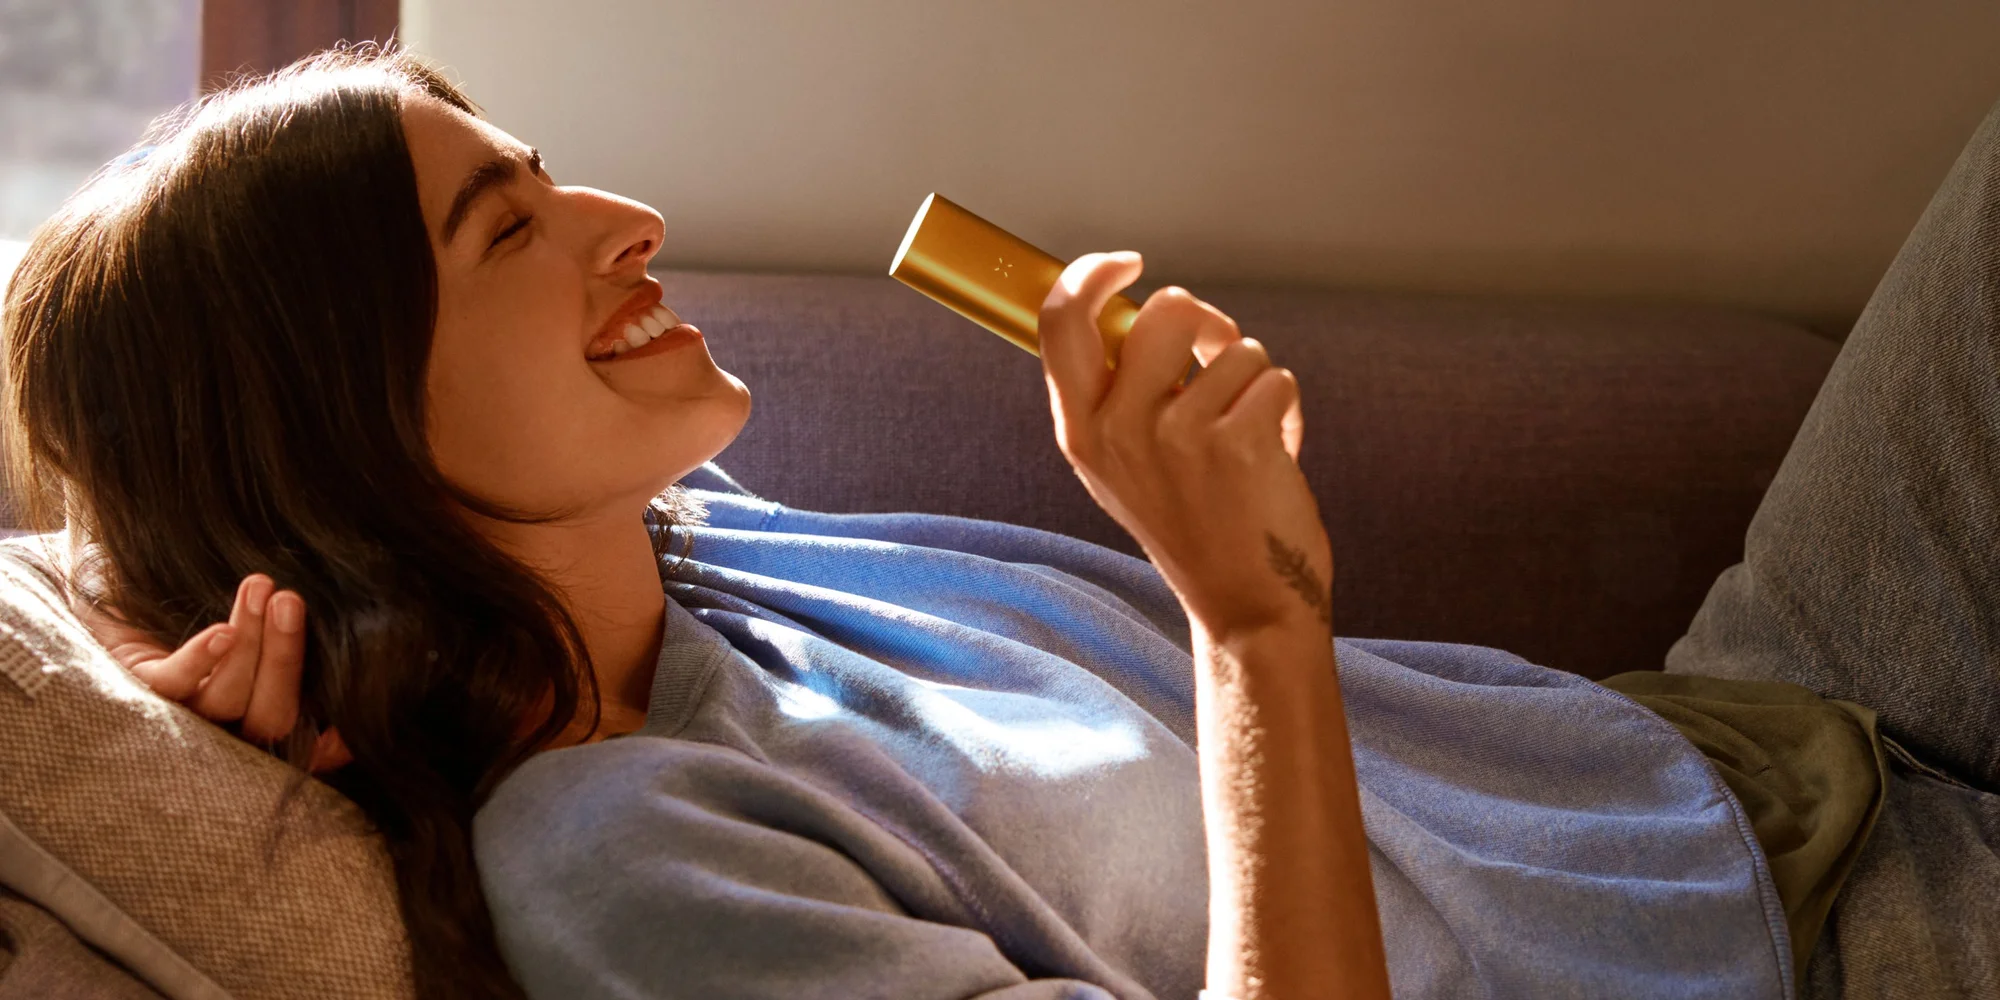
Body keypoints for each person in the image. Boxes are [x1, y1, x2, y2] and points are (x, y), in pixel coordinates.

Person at [0, 43, 1987, 1000]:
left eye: (553, 172)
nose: (629, 224)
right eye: (508, 228)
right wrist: (1253, 625)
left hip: (1720, 736)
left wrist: (329, 671)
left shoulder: (672, 546)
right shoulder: (629, 866)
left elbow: (242, 597)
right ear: (353, 436)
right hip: (1813, 943)